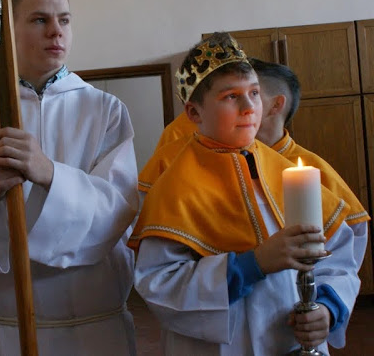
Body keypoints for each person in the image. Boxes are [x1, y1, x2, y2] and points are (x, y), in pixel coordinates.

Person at [0, 0, 139, 355]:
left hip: (94, 328)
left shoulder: (104, 109)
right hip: (12, 328)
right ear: (8, 31)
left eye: (64, 20)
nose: (56, 31)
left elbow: (119, 211)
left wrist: (51, 175)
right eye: (40, 19)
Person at [129, 32, 361, 355]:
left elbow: (339, 255)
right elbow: (159, 284)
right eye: (231, 96)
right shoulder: (174, 188)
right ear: (194, 113)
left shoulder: (286, 173)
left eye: (254, 92)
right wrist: (253, 264)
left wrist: (327, 307)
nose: (249, 107)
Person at [251, 57, 370, 264]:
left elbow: (353, 233)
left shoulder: (311, 167)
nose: (241, 104)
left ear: (276, 105)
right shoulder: (230, 161)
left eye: (253, 94)